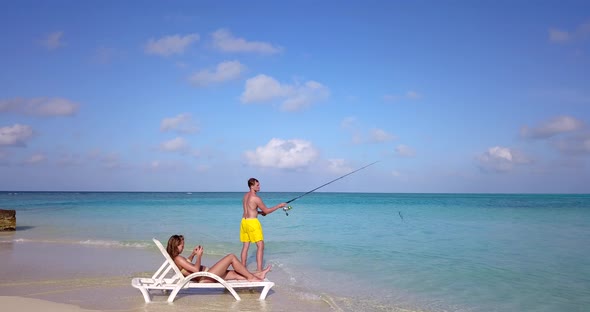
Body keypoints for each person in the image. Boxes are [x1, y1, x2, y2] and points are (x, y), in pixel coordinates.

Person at [166, 234, 271, 282]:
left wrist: (193, 254)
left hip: (208, 274)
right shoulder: (178, 258)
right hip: (206, 277)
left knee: (235, 274)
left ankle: (257, 275)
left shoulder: (177, 259)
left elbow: (187, 264)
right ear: (175, 245)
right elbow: (195, 270)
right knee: (231, 257)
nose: (183, 247)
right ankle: (252, 277)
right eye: (181, 246)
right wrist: (199, 256)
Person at [240, 177, 287, 272]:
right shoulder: (256, 198)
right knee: (260, 246)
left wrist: (261, 213)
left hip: (244, 221)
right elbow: (267, 211)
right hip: (252, 223)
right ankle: (259, 270)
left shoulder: (245, 196)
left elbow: (252, 210)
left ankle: (242, 268)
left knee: (245, 246)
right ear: (252, 186)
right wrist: (279, 206)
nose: (259, 187)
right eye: (257, 185)